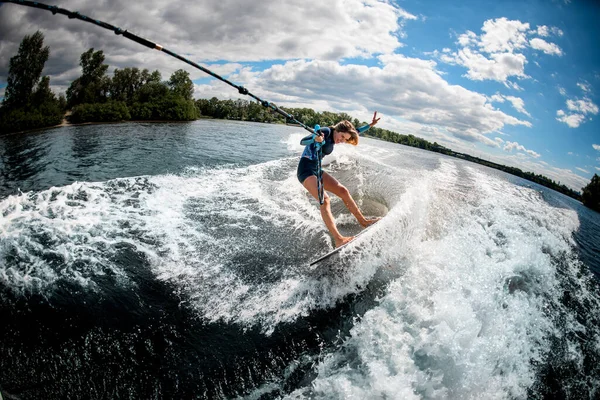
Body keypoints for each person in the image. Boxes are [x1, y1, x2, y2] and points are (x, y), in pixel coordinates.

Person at [297, 111, 381, 247]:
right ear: (337, 129)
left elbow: (357, 131)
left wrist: (370, 125)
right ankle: (338, 239)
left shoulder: (339, 135)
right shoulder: (325, 131)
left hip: (317, 170)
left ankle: (363, 221)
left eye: (345, 139)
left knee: (343, 191)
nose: (342, 141)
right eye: (342, 137)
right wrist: (315, 138)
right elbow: (302, 141)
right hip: (306, 170)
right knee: (325, 200)